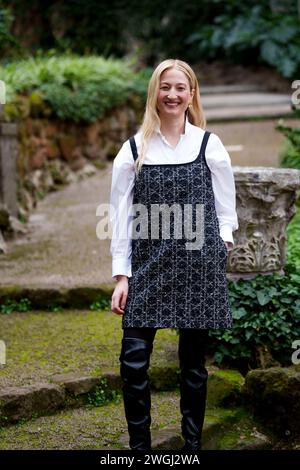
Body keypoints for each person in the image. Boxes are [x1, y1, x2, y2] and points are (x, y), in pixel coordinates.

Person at [109, 58, 238, 452]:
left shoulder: (208, 144)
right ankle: (140, 450)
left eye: (180, 87)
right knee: (132, 362)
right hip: (147, 267)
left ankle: (192, 447)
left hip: (197, 268)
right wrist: (121, 276)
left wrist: (221, 246)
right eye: (165, 87)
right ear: (155, 93)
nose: (172, 94)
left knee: (193, 367)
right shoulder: (132, 150)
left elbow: (225, 209)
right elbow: (118, 219)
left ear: (191, 94)